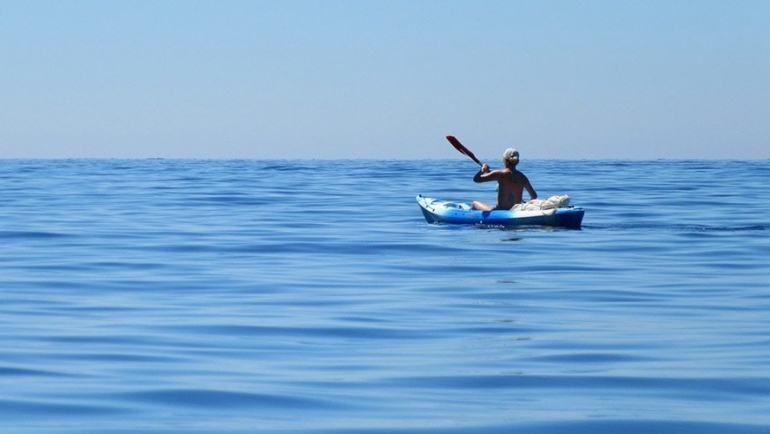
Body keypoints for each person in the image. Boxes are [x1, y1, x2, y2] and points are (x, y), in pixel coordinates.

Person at [470, 148, 537, 211]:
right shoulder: (522, 177)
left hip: (500, 211)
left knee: (474, 203)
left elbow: (476, 179)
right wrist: (524, 203)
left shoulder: (499, 174)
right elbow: (534, 196)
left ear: (505, 160)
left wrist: (482, 170)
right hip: (516, 210)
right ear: (517, 161)